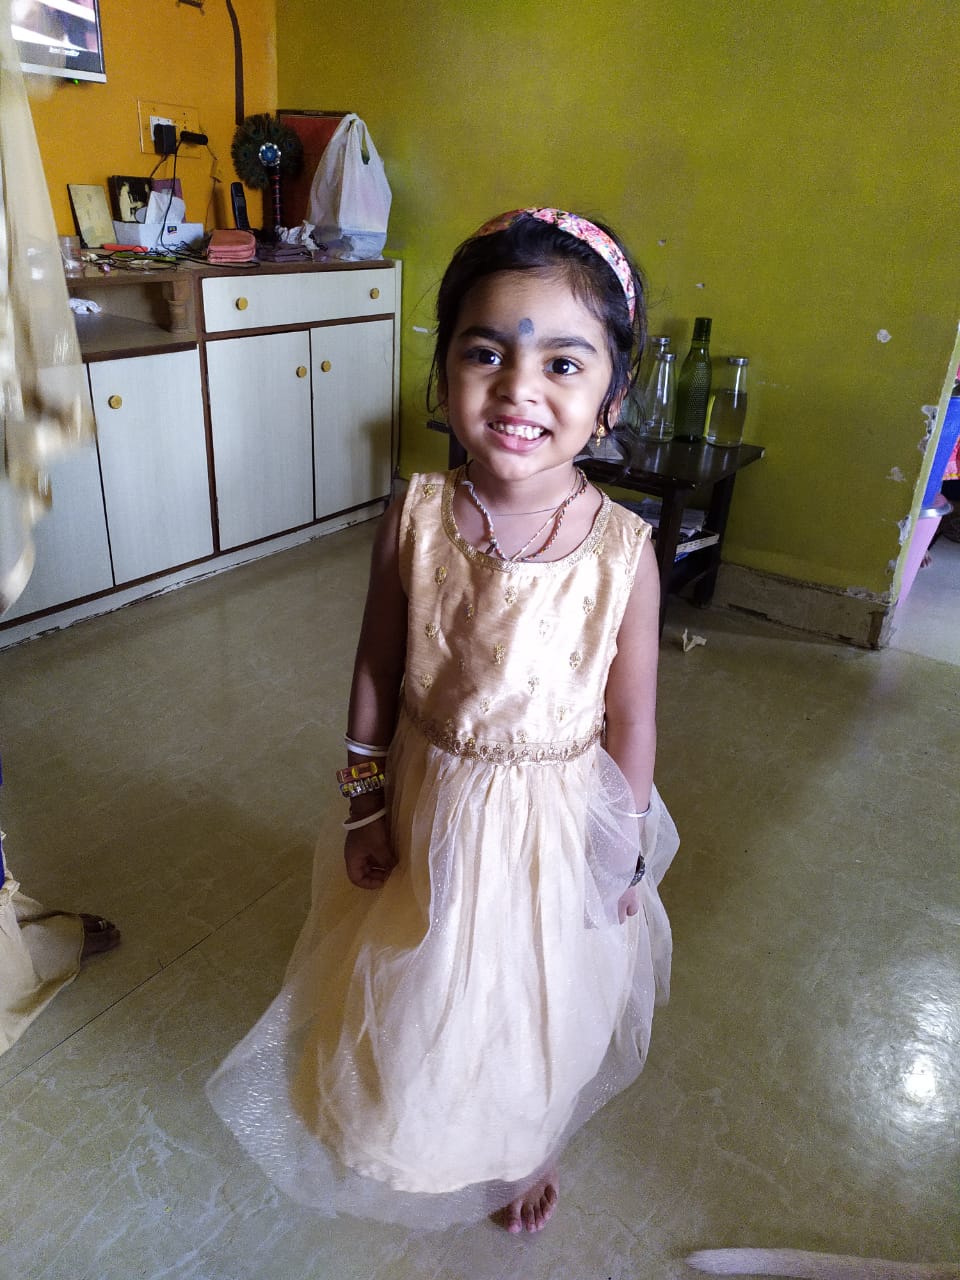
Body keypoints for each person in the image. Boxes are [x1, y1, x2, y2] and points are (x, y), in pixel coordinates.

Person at [207, 207, 679, 1233]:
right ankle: (406, 1120)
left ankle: (527, 1139)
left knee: (534, 1000)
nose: (518, 388)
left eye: (563, 364)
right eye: (485, 352)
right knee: (418, 983)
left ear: (610, 400)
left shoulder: (622, 553)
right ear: (443, 372)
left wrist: (622, 846)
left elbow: (632, 719)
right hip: (427, 798)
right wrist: (363, 801)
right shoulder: (417, 517)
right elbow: (376, 668)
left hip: (551, 825)